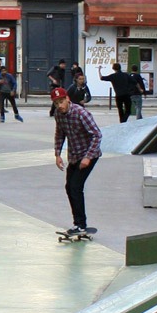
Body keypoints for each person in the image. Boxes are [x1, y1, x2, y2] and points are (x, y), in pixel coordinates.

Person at [51, 87, 101, 237]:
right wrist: (57, 154)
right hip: (74, 156)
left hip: (89, 155)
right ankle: (77, 223)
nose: (60, 106)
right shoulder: (58, 115)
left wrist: (88, 157)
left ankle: (81, 225)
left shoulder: (81, 113)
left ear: (68, 99)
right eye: (56, 103)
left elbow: (97, 135)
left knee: (75, 187)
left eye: (61, 101)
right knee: (69, 187)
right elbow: (59, 134)